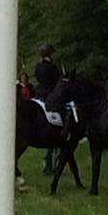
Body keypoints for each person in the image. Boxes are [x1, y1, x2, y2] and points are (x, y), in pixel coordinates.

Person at [34, 44, 61, 174]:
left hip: (39, 93)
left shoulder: (38, 66)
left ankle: (47, 162)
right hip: (50, 93)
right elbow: (56, 81)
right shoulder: (52, 67)